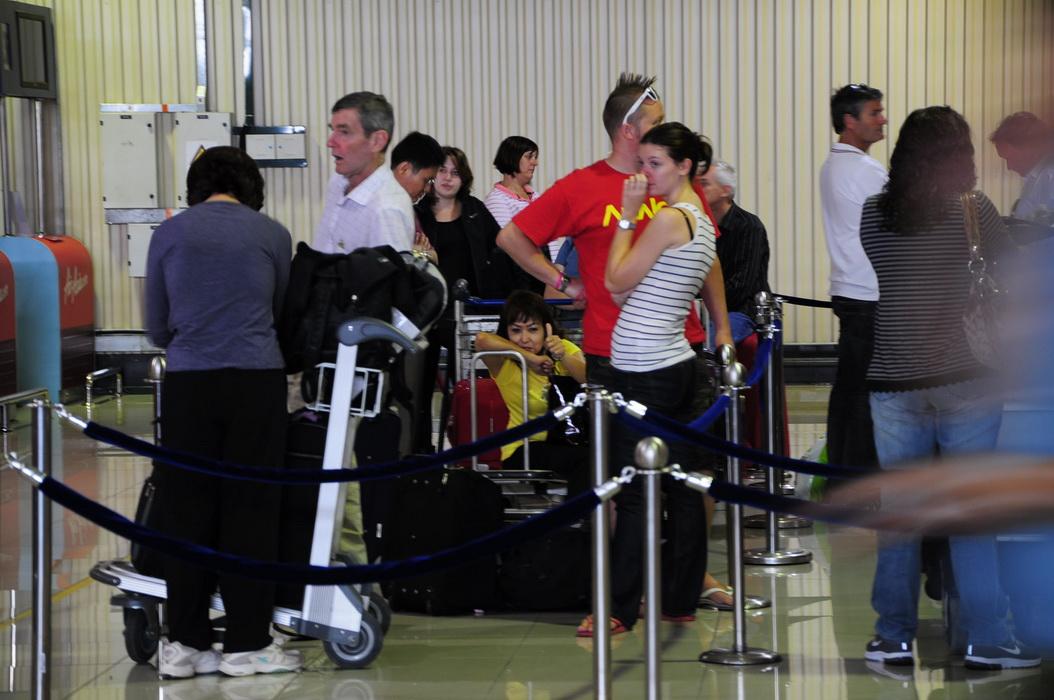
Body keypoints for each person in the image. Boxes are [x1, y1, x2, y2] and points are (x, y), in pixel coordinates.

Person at [497, 74, 733, 632]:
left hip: (678, 348)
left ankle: (679, 588)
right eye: (656, 123)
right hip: (614, 356)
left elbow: (708, 261)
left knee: (690, 478)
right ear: (630, 129)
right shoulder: (583, 186)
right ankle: (623, 596)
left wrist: (721, 326)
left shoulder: (673, 191)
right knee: (623, 484)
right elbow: (512, 237)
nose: (665, 133)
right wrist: (562, 281)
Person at [858, 105, 1037, 671]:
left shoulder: (872, 213)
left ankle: (892, 638)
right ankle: (987, 639)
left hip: (893, 381)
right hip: (967, 379)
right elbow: (1010, 273)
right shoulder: (973, 209)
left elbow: (889, 275)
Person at [145, 146, 301, 678]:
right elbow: (279, 312)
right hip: (256, 381)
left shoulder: (168, 235)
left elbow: (156, 324)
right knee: (251, 510)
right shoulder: (272, 235)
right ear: (252, 186)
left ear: (196, 186)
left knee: (186, 509)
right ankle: (247, 642)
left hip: (189, 382)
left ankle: (185, 642)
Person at [601, 122, 719, 634]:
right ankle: (679, 598)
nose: (645, 174)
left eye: (655, 164)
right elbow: (631, 289)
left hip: (644, 366)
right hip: (675, 362)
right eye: (642, 163)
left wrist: (627, 217)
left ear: (684, 166)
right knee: (685, 487)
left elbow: (613, 281)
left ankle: (620, 608)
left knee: (634, 492)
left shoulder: (669, 219)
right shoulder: (700, 219)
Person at [411, 146, 504, 451]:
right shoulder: (416, 213)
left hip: (470, 313)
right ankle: (421, 452)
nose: (448, 178)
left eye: (455, 172)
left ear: (464, 178)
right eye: (442, 171)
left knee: (468, 387)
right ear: (431, 175)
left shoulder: (476, 211)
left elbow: (499, 253)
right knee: (420, 387)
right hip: (428, 314)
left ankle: (469, 451)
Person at [820, 83, 889, 471]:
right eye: (874, 113)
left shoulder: (833, 165)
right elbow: (896, 224)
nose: (882, 120)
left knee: (849, 388)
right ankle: (857, 478)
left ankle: (842, 473)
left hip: (850, 288)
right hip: (868, 291)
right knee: (865, 392)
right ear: (849, 121)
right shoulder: (865, 171)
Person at [475, 290, 588, 493]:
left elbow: (589, 378)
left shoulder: (562, 347)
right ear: (506, 332)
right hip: (523, 447)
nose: (525, 338)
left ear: (546, 328)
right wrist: (530, 358)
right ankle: (578, 512)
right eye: (516, 330)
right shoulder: (504, 360)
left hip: (568, 440)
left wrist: (562, 355)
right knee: (586, 461)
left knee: (603, 457)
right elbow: (482, 339)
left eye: (533, 329)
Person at [313, 91, 414, 253]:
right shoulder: (338, 181)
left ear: (377, 141)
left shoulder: (387, 210)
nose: (330, 142)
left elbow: (389, 270)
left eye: (344, 132)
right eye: (333, 130)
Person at [697, 160, 770, 343]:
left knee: (713, 339)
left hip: (741, 309)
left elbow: (741, 286)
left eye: (704, 184)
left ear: (725, 190)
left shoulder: (749, 226)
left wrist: (704, 299)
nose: (697, 189)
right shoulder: (698, 223)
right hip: (708, 306)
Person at [990, 111, 1054, 225]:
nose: (1009, 167)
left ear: (1029, 148)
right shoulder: (1033, 178)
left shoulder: (1050, 177)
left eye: (1009, 158)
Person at [484, 135, 540, 228]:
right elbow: (506, 237)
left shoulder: (535, 195)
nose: (535, 163)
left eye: (535, 157)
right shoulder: (496, 200)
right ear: (512, 158)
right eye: (529, 157)